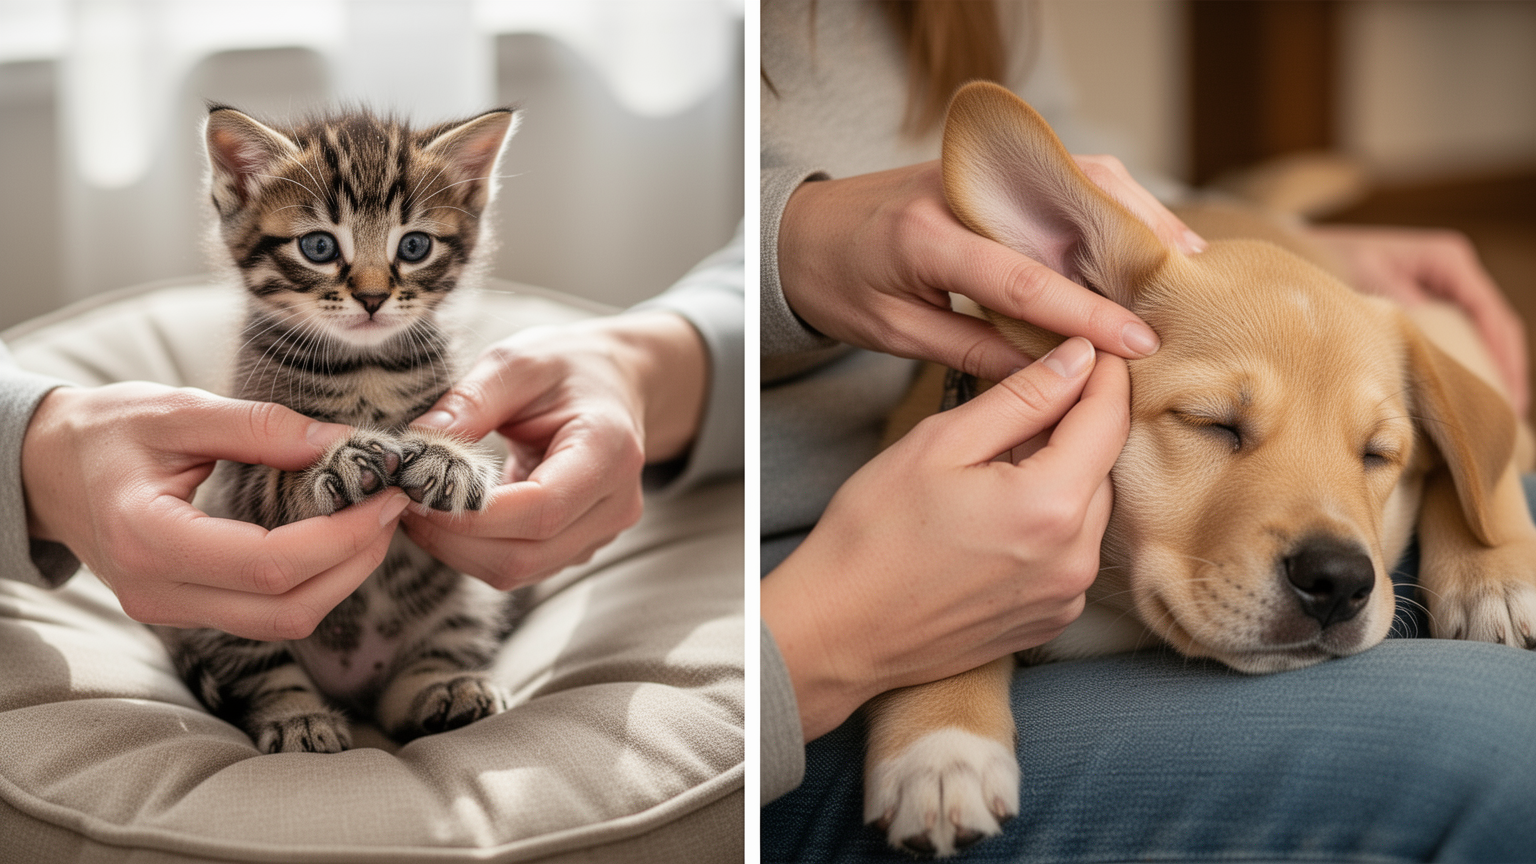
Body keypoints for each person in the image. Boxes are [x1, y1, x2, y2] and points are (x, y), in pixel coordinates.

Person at [758, 1, 1536, 860]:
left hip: (1182, 305)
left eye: (1377, 449)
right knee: (1513, 746)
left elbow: (1082, 150)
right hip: (770, 595)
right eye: (1220, 424)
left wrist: (1484, 532)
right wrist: (784, 247)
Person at [6, 231, 742, 639]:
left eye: (410, 248)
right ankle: (280, 698)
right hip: (277, 651)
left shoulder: (434, 350)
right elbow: (246, 491)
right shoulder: (266, 359)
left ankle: (430, 676)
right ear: (236, 193)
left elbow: (452, 457)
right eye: (322, 248)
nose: (369, 286)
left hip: (423, 617)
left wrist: (450, 468)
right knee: (220, 647)